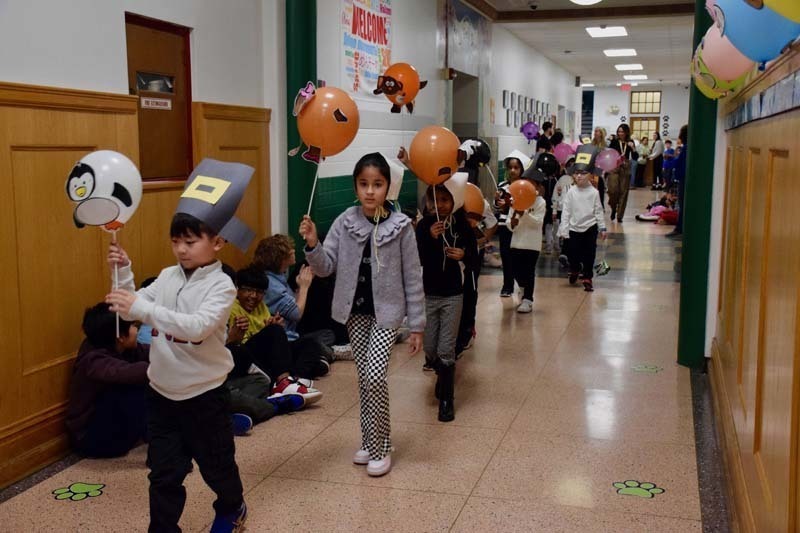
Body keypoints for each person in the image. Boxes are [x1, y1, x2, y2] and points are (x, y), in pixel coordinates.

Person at [105, 160, 254, 532]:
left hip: (205, 397)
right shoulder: (169, 276)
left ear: (217, 241)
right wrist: (123, 271)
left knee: (217, 465)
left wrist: (141, 308)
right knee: (164, 473)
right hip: (161, 396)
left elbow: (198, 328)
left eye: (191, 242)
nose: (182, 250)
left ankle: (232, 506)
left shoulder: (222, 286)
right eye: (176, 241)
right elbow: (135, 302)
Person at [299, 152, 425, 477]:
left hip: (387, 315)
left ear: (388, 188)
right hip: (355, 314)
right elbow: (326, 267)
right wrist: (313, 244)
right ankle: (369, 441)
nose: (370, 191)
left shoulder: (400, 227)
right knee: (363, 380)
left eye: (378, 184)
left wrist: (417, 325)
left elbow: (413, 276)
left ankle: (383, 446)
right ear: (355, 186)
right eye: (364, 184)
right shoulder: (345, 221)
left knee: (374, 376)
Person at [415, 174, 476, 421]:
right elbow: (418, 256)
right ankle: (441, 374)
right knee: (430, 350)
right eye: (434, 200)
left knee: (446, 348)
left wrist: (463, 255)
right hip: (429, 294)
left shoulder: (462, 225)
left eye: (444, 200)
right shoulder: (423, 226)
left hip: (453, 294)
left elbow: (474, 257)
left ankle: (447, 401)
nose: (439, 205)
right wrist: (430, 236)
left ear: (454, 201)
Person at [226, 266, 325, 403]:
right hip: (244, 356)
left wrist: (271, 327)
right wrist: (270, 332)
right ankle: (283, 383)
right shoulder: (231, 308)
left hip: (264, 355)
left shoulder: (261, 307)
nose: (253, 296)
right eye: (248, 290)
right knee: (275, 332)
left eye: (259, 292)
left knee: (309, 343)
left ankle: (297, 378)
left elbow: (265, 337)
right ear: (238, 290)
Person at [65, 303, 148, 458]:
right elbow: (133, 372)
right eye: (132, 326)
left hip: (110, 426)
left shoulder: (121, 347)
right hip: (90, 439)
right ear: (120, 337)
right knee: (137, 389)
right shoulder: (93, 360)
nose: (136, 329)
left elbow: (151, 353)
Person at [558, 145, 608, 292]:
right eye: (577, 173)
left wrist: (602, 227)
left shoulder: (594, 192)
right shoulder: (571, 192)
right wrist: (564, 229)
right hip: (574, 228)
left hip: (590, 228)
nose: (579, 176)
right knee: (573, 253)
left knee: (589, 254)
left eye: (583, 173)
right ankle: (575, 269)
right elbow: (566, 212)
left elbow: (598, 211)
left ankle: (587, 277)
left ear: (591, 175)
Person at [457, 197, 497, 354]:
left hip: (472, 255)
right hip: (450, 254)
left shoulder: (478, 200)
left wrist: (481, 241)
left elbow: (492, 224)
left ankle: (467, 331)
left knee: (469, 291)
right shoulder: (441, 199)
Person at [509, 167, 547, 313]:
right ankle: (524, 288)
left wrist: (524, 213)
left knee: (529, 270)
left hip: (532, 244)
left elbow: (537, 222)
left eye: (532, 184)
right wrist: (512, 223)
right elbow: (510, 220)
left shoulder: (540, 202)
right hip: (516, 242)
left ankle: (528, 299)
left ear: (537, 186)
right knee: (515, 270)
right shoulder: (516, 200)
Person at [495, 150, 531, 297]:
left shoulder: (526, 186)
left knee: (519, 257)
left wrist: (510, 204)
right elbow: (497, 207)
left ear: (522, 169)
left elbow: (526, 205)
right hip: (505, 225)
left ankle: (522, 283)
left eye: (516, 168)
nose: (513, 170)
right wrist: (498, 201)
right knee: (506, 256)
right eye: (510, 167)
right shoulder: (502, 185)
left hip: (520, 225)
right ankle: (507, 285)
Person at [607, 123, 638, 223]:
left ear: (626, 133)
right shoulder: (614, 141)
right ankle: (613, 208)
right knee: (612, 190)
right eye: (619, 131)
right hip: (615, 166)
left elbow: (635, 157)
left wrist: (633, 148)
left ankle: (620, 215)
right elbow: (609, 154)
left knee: (623, 192)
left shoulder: (630, 142)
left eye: (622, 132)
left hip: (625, 167)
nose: (620, 133)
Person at [667, 125, 689, 238]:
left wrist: (670, 160)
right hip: (683, 179)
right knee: (681, 204)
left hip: (683, 180)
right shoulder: (687, 147)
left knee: (682, 204)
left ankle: (680, 229)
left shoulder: (686, 148)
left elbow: (679, 164)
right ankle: (680, 228)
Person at [591, 127, 608, 209]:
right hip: (592, 167)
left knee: (600, 185)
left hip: (601, 167)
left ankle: (601, 204)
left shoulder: (605, 144)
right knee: (592, 185)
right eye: (595, 131)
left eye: (597, 131)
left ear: (601, 133)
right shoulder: (592, 143)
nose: (595, 133)